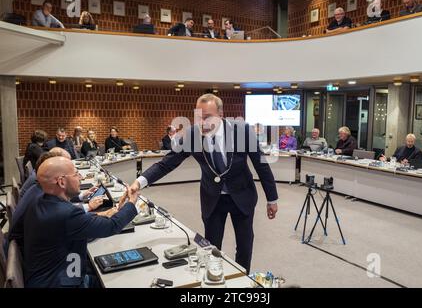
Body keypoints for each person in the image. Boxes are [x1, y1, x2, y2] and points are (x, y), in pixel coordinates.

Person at [129, 94, 278, 273]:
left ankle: (242, 283)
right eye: (198, 117)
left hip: (242, 195)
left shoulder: (242, 131)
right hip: (212, 198)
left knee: (244, 246)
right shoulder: (192, 135)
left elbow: (261, 164)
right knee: (211, 247)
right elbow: (167, 163)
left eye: (207, 117)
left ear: (221, 114)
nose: (202, 123)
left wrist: (272, 199)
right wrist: (139, 182)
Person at [23, 156, 138, 288]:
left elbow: (78, 224)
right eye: (76, 174)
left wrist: (115, 211)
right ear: (61, 182)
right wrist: (131, 203)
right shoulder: (66, 213)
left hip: (50, 274)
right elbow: (111, 226)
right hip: (60, 282)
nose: (81, 178)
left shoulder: (39, 202)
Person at [10, 148, 112, 255]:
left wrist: (82, 198)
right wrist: (95, 212)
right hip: (32, 252)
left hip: (31, 249)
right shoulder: (40, 195)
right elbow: (64, 217)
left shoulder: (39, 186)